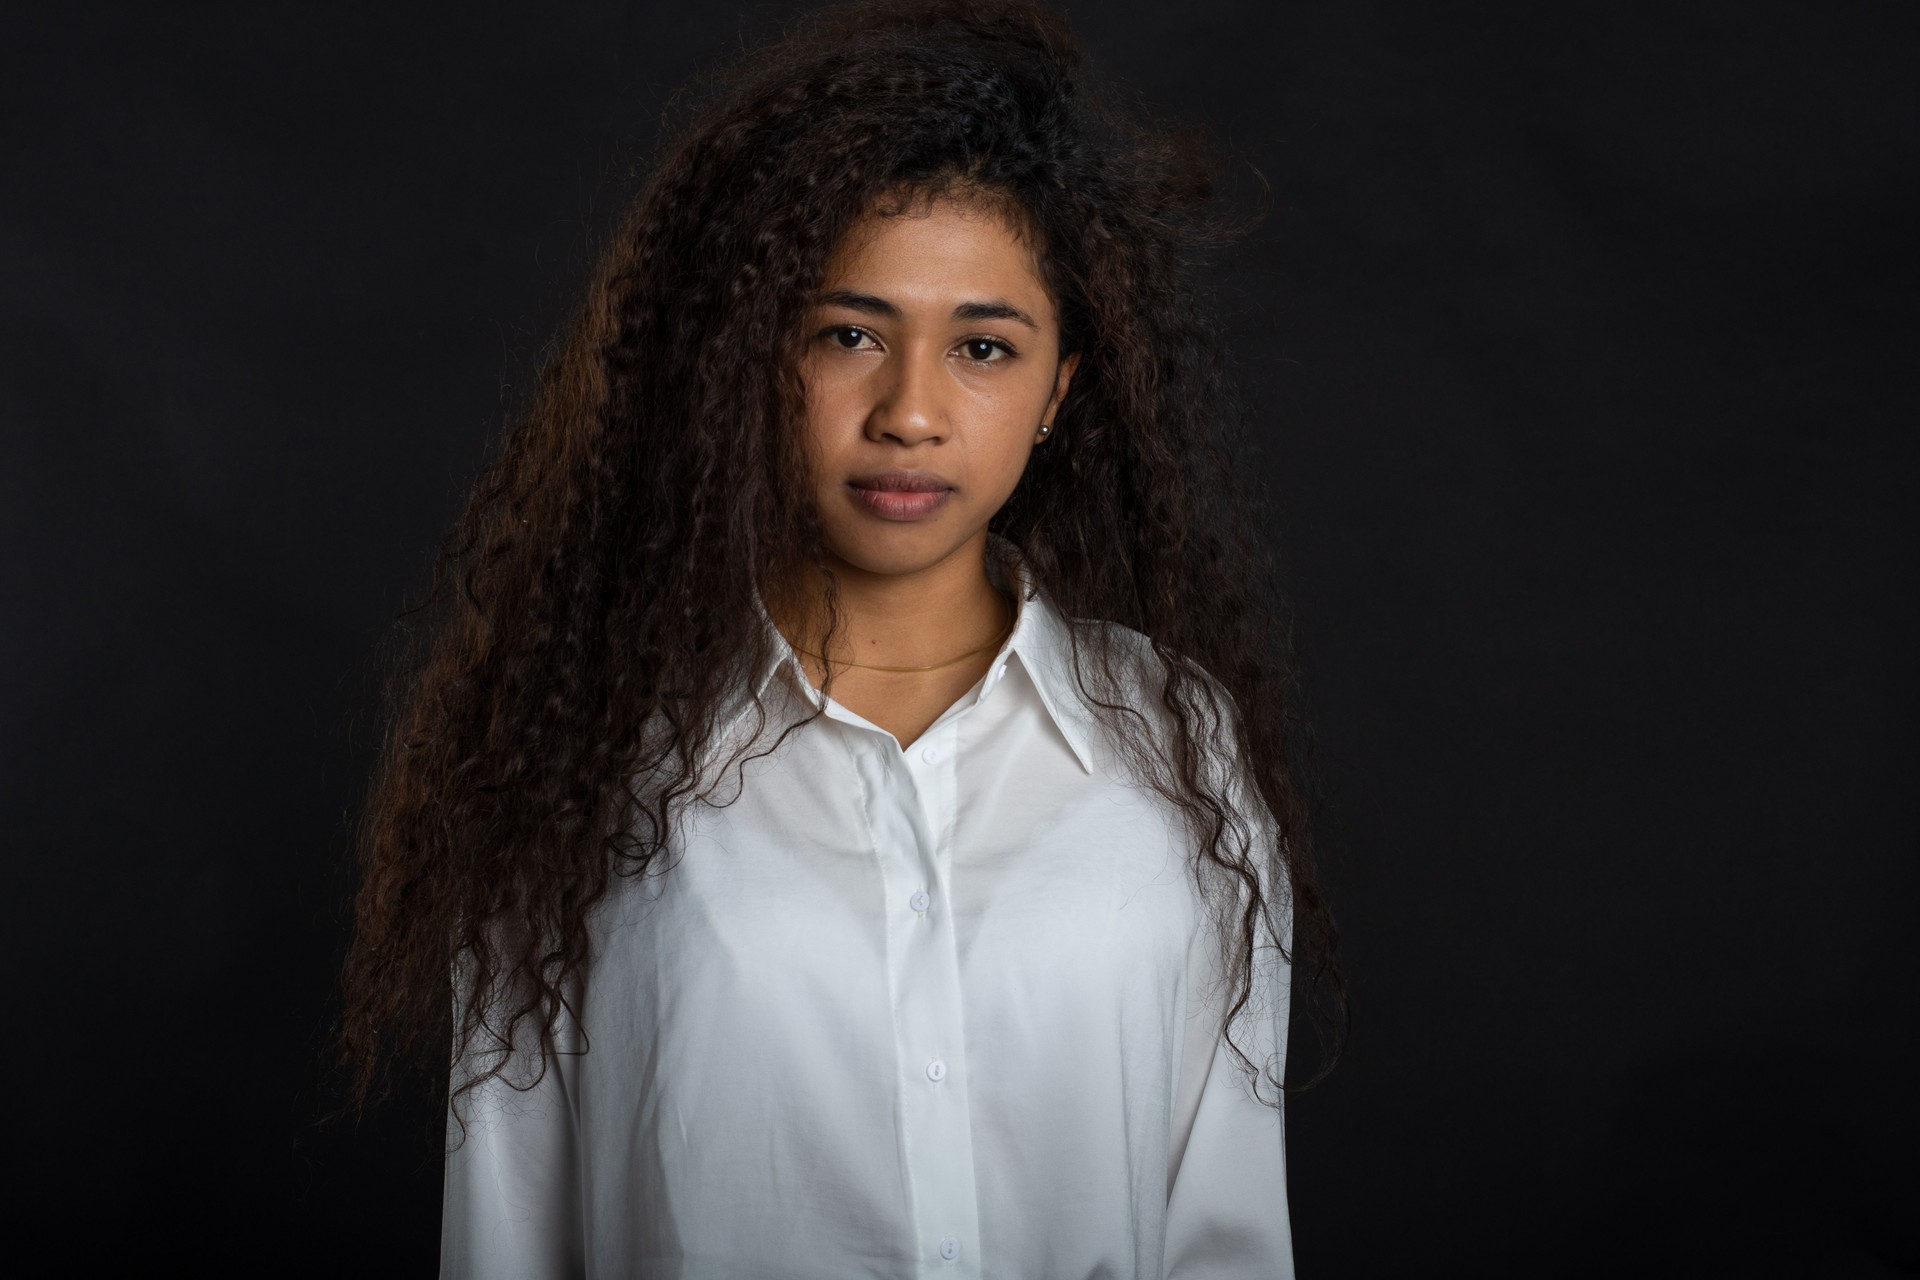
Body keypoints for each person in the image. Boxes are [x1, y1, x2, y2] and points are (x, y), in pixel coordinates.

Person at [335, 0, 1345, 1274]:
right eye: (849, 334)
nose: (911, 411)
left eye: (984, 346)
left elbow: (1227, 1227)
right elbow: (508, 1234)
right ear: (750, 358)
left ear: (1059, 393)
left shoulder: (1174, 739)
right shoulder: (582, 747)